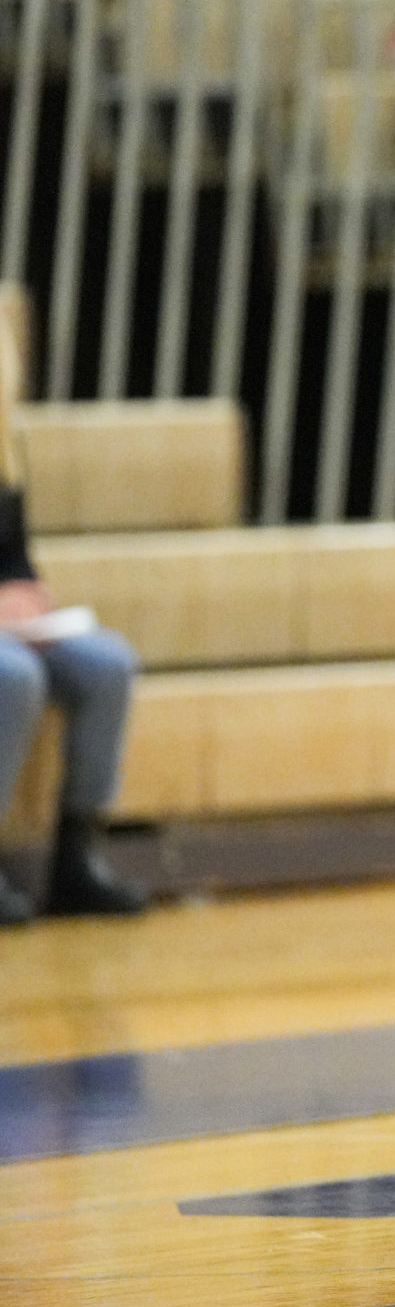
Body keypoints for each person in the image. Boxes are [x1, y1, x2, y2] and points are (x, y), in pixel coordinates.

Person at [0, 319, 144, 923]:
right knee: (15, 678)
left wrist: (27, 592)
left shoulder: (6, 444)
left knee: (109, 664)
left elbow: (13, 554)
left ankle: (74, 861)